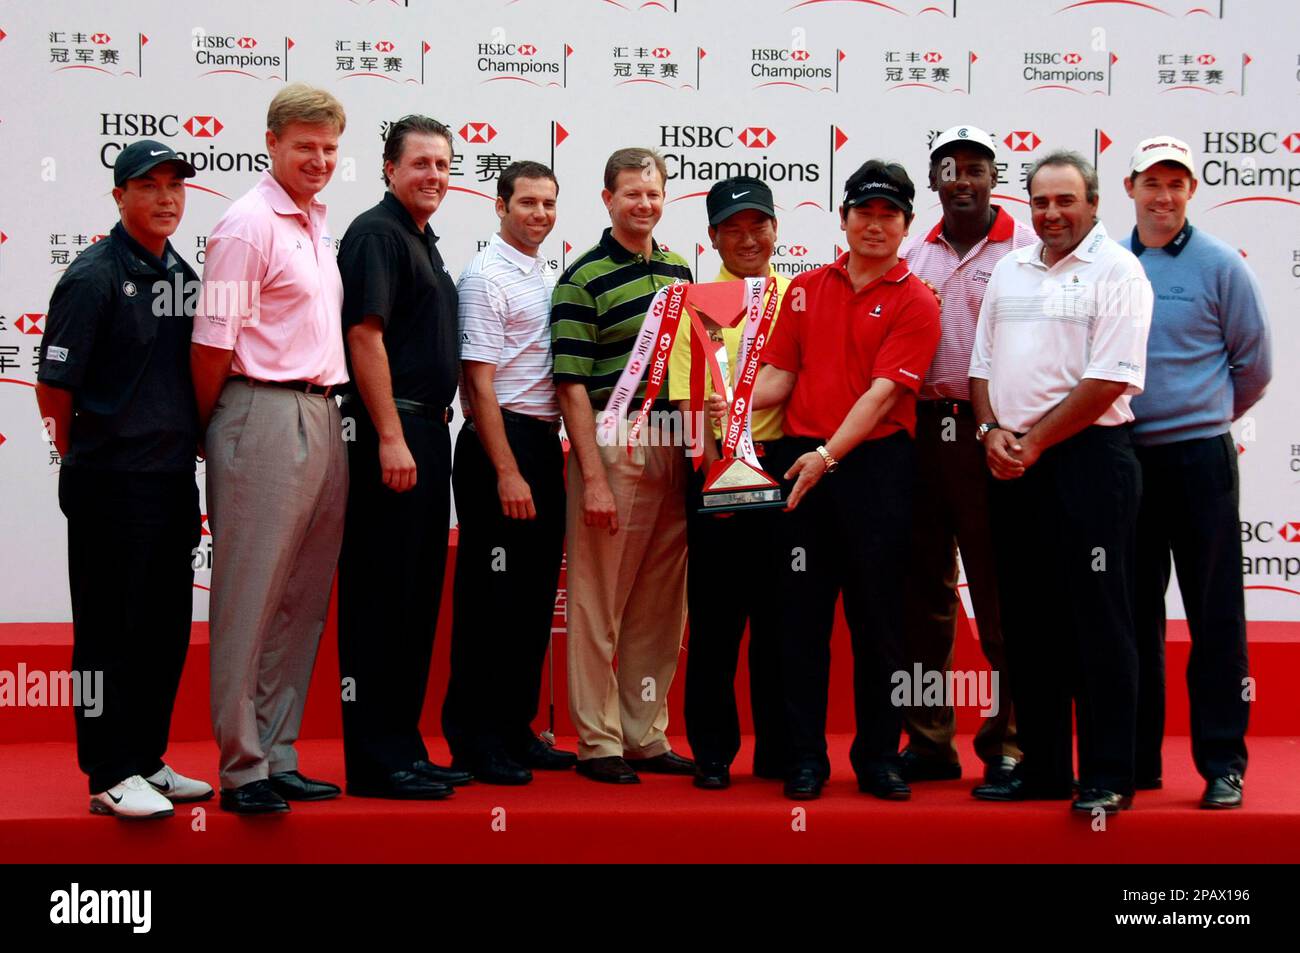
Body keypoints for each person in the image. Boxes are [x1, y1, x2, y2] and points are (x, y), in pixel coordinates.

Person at [741, 160, 941, 801]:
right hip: (801, 463)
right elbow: (779, 374)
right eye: (864, 212)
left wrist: (827, 457)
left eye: (889, 215)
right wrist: (729, 399)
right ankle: (805, 758)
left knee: (879, 623)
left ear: (907, 224)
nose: (875, 225)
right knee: (799, 620)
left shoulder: (917, 299)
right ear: (845, 217)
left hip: (874, 470)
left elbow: (883, 396)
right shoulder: (804, 288)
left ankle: (878, 757)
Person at [969, 150, 1152, 815]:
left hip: (1089, 462)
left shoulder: (1118, 271)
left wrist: (1034, 440)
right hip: (1011, 465)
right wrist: (992, 433)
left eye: (1065, 200)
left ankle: (1108, 773)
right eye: (1041, 202)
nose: (1051, 213)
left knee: (1100, 621)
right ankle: (1044, 766)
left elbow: (1110, 377)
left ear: (1094, 203)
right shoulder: (1011, 269)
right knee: (1029, 624)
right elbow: (981, 363)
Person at [36, 141, 211, 819]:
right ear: (119, 196)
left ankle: (145, 758)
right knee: (107, 632)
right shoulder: (92, 277)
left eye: (175, 186)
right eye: (149, 186)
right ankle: (107, 772)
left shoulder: (183, 275)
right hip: (110, 481)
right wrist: (89, 454)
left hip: (170, 481)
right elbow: (55, 387)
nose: (166, 198)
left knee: (163, 628)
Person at [191, 84, 349, 814]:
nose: (317, 160)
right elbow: (212, 345)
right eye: (304, 146)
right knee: (251, 597)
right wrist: (219, 428)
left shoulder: (315, 224)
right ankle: (241, 764)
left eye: (328, 148)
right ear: (272, 143)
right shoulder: (246, 225)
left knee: (301, 599)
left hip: (321, 414)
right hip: (257, 408)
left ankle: (278, 751)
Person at [1121, 135, 1271, 809]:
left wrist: (1203, 414)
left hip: (1200, 457)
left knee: (1215, 614)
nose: (1163, 195)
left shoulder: (1220, 266)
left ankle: (1222, 762)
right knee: (1132, 614)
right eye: (1152, 182)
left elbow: (1254, 363)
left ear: (1190, 191)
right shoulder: (1108, 263)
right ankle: (1136, 759)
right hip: (1126, 458)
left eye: (1176, 183)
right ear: (1130, 188)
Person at [335, 115, 471, 800]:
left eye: (443, 165)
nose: (433, 176)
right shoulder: (376, 234)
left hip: (427, 437)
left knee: (415, 600)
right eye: (420, 163)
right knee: (380, 598)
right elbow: (364, 336)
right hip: (392, 434)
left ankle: (405, 747)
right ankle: (375, 760)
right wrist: (388, 433)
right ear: (388, 168)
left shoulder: (424, 242)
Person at [550, 147, 695, 784]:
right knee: (597, 600)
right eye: (631, 193)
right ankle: (599, 740)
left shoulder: (680, 270)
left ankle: (645, 733)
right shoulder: (581, 279)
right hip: (612, 446)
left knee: (661, 604)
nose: (643, 203)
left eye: (653, 193)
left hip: (675, 443)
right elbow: (571, 386)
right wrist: (594, 475)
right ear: (607, 199)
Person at [897, 126, 1033, 785]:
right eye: (950, 169)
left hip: (993, 434)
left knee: (1003, 591)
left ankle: (1010, 738)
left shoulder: (1027, 246)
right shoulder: (914, 254)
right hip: (922, 433)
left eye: (976, 167)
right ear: (935, 181)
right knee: (922, 593)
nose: (963, 179)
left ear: (992, 176)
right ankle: (928, 740)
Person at [441, 160, 578, 784]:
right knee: (489, 600)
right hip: (502, 447)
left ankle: (515, 730)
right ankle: (475, 739)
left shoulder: (544, 273)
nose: (540, 215)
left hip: (542, 444)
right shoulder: (485, 275)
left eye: (549, 204)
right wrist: (506, 470)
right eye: (527, 203)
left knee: (528, 601)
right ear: (500, 206)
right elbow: (479, 382)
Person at [668, 176, 793, 789]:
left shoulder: (799, 296)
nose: (748, 237)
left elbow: (809, 381)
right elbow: (688, 401)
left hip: (786, 470)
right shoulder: (689, 300)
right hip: (715, 470)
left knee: (780, 619)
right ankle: (713, 751)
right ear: (713, 235)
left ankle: (776, 750)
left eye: (758, 224)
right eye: (733, 227)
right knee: (717, 620)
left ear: (775, 230)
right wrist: (718, 466)